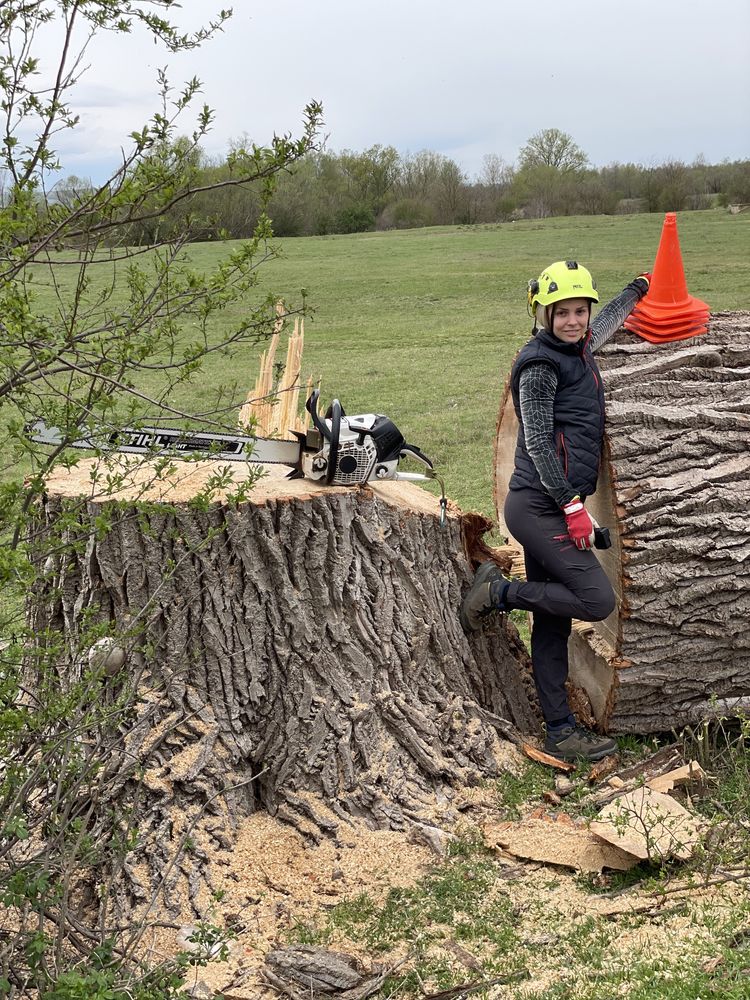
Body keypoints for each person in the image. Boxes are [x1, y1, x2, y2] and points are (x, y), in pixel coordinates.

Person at [459, 260, 651, 762]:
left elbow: (607, 319)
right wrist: (571, 505)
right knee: (594, 600)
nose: (573, 320)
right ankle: (497, 591)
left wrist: (639, 289)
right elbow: (540, 443)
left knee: (551, 624)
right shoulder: (540, 365)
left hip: (554, 507)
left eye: (578, 310)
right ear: (542, 316)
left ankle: (560, 730)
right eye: (561, 312)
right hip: (540, 507)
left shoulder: (581, 345)